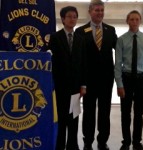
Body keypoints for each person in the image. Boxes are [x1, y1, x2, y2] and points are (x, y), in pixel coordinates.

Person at [75, 0, 117, 150]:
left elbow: (119, 53)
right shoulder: (80, 31)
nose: (99, 13)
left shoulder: (110, 30)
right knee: (89, 111)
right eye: (96, 10)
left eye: (101, 10)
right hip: (88, 80)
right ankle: (88, 141)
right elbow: (77, 57)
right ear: (90, 11)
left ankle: (102, 140)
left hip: (106, 79)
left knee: (105, 112)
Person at [47, 6, 87, 150]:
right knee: (62, 119)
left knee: (74, 119)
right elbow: (50, 63)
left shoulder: (81, 39)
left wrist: (83, 85)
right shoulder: (55, 38)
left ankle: (72, 145)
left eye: (75, 16)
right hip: (59, 86)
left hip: (76, 87)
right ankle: (59, 146)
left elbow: (84, 64)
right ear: (63, 19)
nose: (72, 19)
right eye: (69, 16)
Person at [114, 10, 143, 150]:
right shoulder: (121, 40)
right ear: (127, 21)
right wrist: (119, 84)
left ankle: (137, 141)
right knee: (125, 112)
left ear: (140, 21)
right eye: (132, 19)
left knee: (139, 113)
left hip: (141, 79)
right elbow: (117, 64)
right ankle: (126, 141)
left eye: (137, 19)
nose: (134, 22)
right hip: (126, 79)